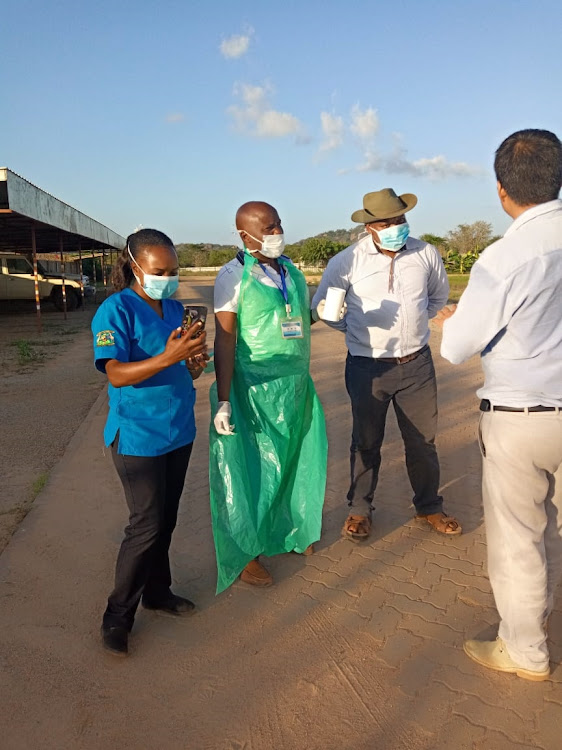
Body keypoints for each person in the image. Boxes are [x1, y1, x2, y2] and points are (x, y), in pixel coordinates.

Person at [438, 129, 562, 681]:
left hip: (521, 415)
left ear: (501, 190)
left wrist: (457, 322)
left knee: (519, 539)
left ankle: (526, 650)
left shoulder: (506, 255)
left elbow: (457, 347)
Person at [312, 188, 461, 541]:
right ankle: (359, 510)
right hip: (368, 368)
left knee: (423, 441)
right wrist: (351, 327)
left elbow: (438, 296)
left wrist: (416, 324)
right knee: (366, 443)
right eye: (388, 222)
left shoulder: (425, 253)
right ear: (370, 228)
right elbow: (322, 306)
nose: (397, 226)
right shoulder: (346, 261)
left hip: (417, 365)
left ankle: (429, 506)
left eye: (401, 219)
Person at [92, 229, 208, 657]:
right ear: (135, 266)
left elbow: (185, 372)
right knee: (145, 525)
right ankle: (117, 616)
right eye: (160, 271)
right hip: (138, 434)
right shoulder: (115, 310)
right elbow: (115, 372)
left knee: (167, 519)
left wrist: (193, 364)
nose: (168, 278)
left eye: (174, 271)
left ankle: (158, 592)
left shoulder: (177, 308)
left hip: (177, 430)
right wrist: (167, 357)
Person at [209, 201, 327, 592]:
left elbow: (291, 320)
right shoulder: (231, 277)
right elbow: (225, 338)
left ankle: (288, 530)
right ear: (245, 235)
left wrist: (319, 312)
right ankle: (246, 553)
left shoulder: (290, 269)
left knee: (293, 461)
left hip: (294, 384)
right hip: (253, 388)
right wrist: (224, 399)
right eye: (269, 226)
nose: (277, 231)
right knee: (252, 468)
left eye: (278, 223)